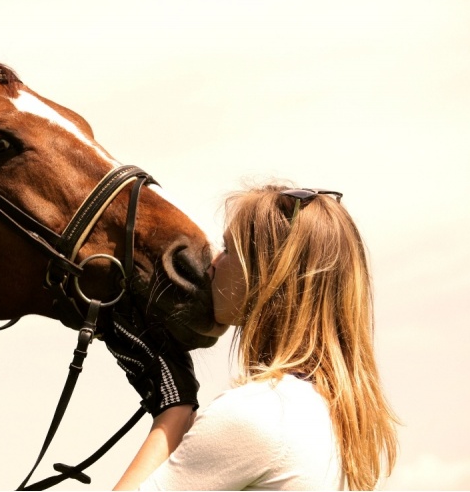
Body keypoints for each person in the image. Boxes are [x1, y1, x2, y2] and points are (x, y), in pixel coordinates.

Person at [104, 185, 399, 490]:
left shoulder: (261, 413)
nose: (213, 263)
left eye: (229, 249)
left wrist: (174, 408)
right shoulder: (333, 415)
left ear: (268, 275)